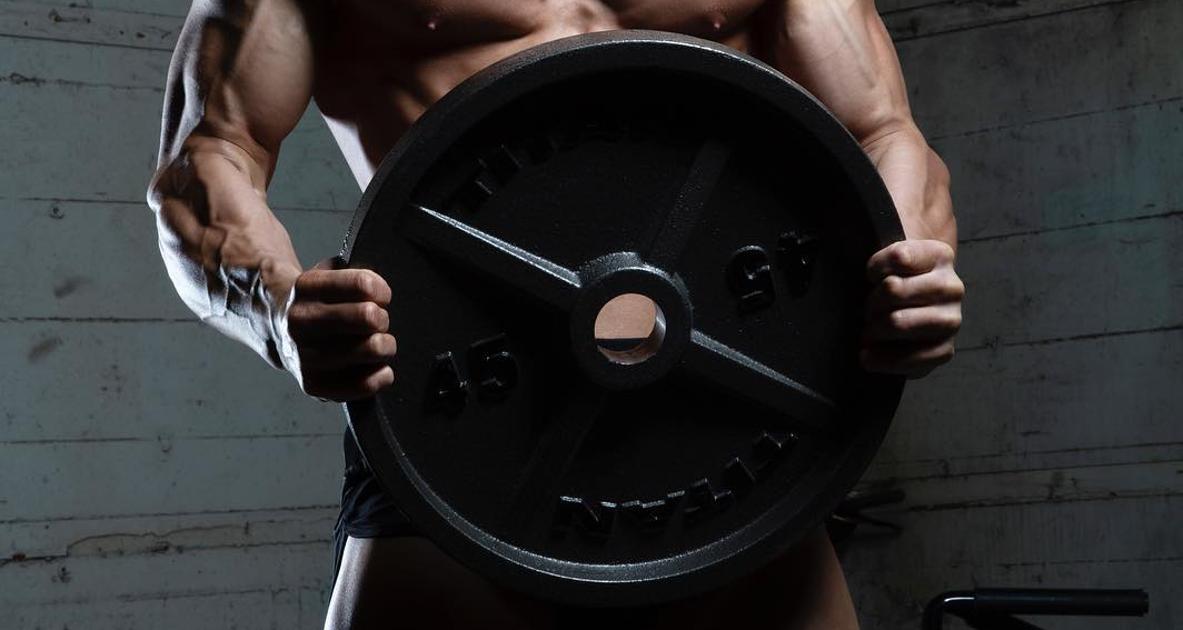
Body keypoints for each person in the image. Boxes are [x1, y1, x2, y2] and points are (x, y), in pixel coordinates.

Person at [146, 1, 964, 628]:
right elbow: (209, 154)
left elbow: (881, 129)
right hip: (465, 392)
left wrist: (911, 266)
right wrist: (279, 312)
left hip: (723, 392)